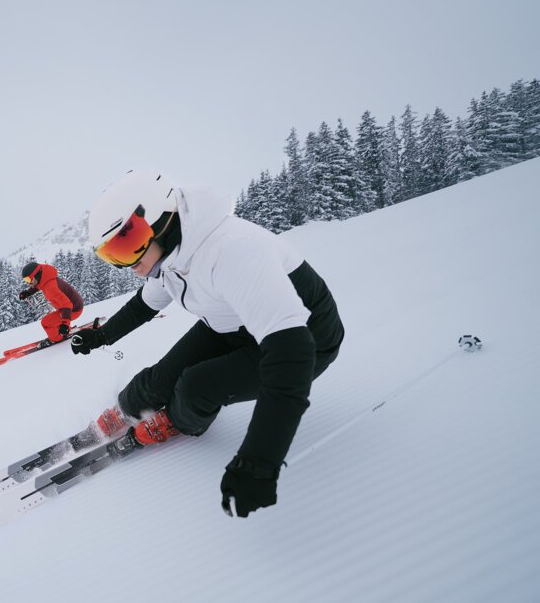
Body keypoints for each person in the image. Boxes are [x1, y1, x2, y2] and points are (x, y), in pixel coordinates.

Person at [71, 170, 344, 519]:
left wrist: (261, 461)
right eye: (114, 254)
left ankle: (177, 420)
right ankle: (129, 409)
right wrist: (101, 336)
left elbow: (291, 353)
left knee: (196, 386)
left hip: (306, 338)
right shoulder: (168, 257)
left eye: (128, 244)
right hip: (232, 322)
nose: (129, 264)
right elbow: (145, 304)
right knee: (156, 381)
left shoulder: (232, 251)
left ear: (160, 220)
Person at [19, 261, 84, 348]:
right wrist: (28, 292)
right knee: (53, 320)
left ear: (36, 275)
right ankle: (62, 331)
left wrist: (65, 325)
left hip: (73, 310)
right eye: (25, 280)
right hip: (69, 307)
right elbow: (39, 285)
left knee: (46, 322)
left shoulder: (51, 288)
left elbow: (67, 305)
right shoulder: (45, 278)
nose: (28, 283)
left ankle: (56, 338)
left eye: (28, 279)